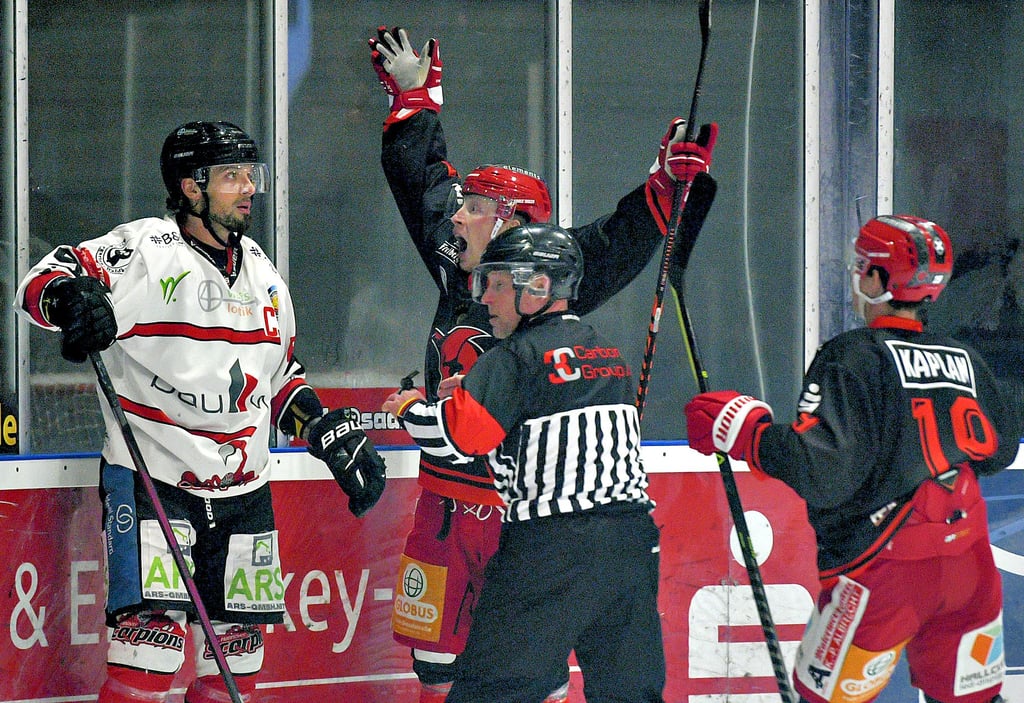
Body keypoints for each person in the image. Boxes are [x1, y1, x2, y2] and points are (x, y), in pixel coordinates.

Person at [367, 25, 716, 703]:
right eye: (463, 203)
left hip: (515, 515)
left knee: (522, 672)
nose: (455, 219)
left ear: (515, 227)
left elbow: (616, 242)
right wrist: (416, 100)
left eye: (473, 207)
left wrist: (662, 189)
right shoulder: (460, 265)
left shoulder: (554, 280)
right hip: (443, 506)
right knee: (436, 667)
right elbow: (423, 188)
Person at [15, 121, 386, 703]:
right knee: (148, 656)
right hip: (155, 481)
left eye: (251, 174)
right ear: (191, 187)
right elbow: (43, 279)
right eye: (232, 175)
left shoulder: (264, 274)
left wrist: (325, 431)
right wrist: (70, 301)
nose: (249, 188)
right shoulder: (144, 250)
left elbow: (280, 378)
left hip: (245, 493)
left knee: (236, 668)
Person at [684, 215, 1020, 703]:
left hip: (886, 572)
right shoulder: (963, 355)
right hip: (969, 563)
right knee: (972, 699)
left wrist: (747, 435)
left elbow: (825, 472)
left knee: (826, 697)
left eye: (863, 266)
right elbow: (999, 452)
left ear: (881, 280)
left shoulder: (854, 356)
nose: (856, 277)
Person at [383, 223, 665, 703]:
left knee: (490, 692)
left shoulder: (514, 355)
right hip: (633, 548)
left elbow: (457, 442)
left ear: (537, 287)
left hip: (552, 549)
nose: (486, 298)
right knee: (629, 695)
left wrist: (409, 406)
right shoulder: (607, 351)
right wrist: (480, 395)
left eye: (496, 285)